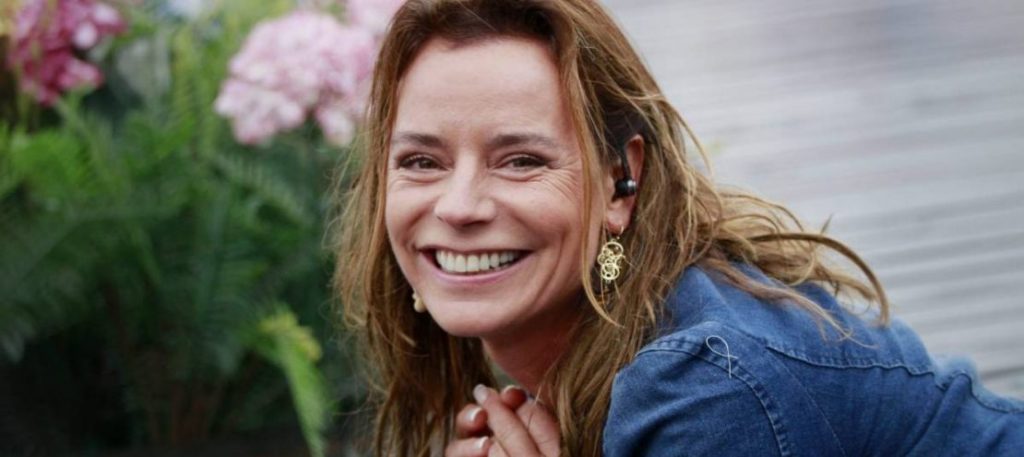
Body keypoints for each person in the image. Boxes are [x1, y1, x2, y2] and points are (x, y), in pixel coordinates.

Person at [332, 0, 1024, 455]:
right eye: (421, 161)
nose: (458, 206)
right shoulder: (618, 320)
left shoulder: (707, 388)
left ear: (619, 182)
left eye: (521, 160)